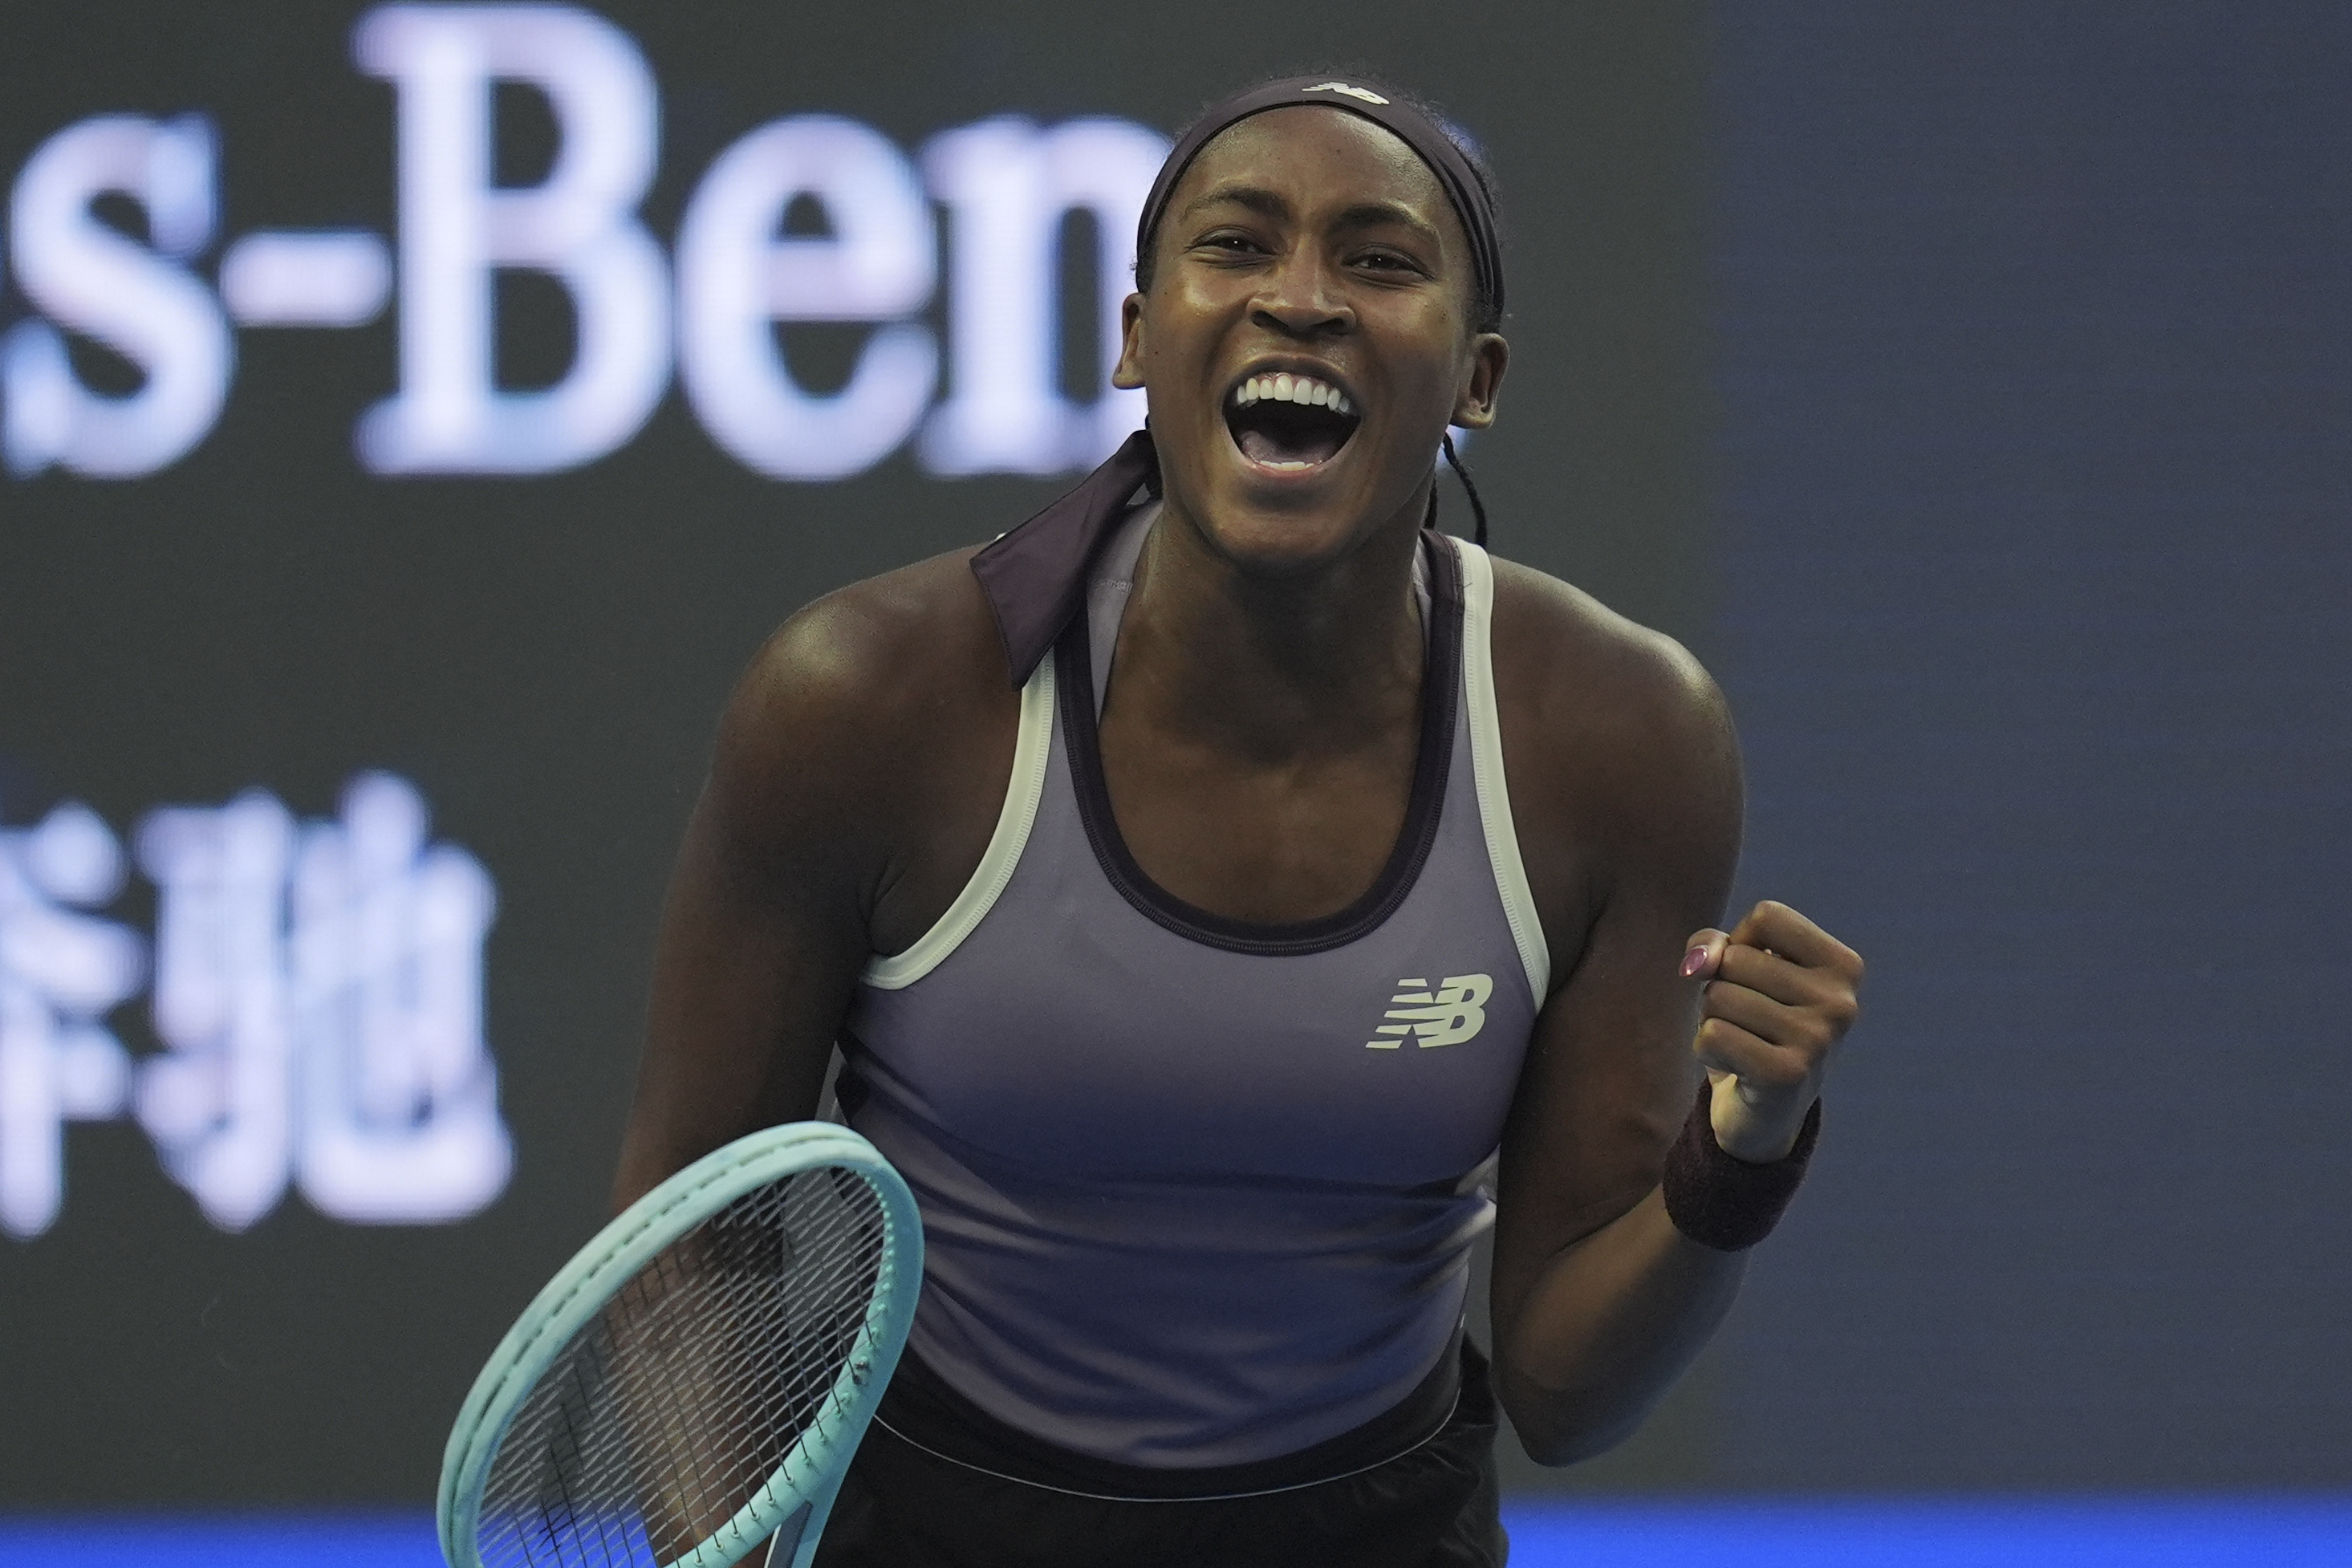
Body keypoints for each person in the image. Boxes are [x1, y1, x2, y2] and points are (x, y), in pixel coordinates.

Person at [612, 75, 1864, 1568]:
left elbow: (1563, 1387)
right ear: (1141, 339)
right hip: (930, 1517)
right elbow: (693, 1237)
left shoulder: (1621, 743)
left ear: (1478, 376)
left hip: (1373, 1527)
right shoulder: (867, 702)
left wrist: (1744, 1152)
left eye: (1381, 261)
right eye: (1238, 246)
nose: (1303, 302)